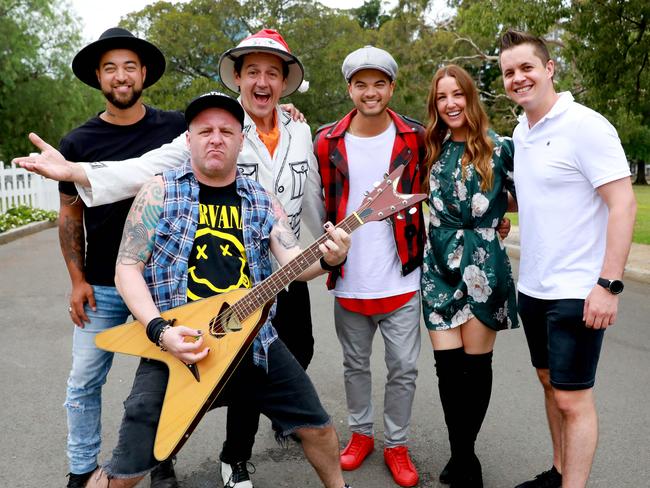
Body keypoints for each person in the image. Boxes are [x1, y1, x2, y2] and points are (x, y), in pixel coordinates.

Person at [13, 29, 320, 487]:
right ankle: (97, 470)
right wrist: (74, 177)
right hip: (135, 279)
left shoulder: (281, 127)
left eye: (272, 73)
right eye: (252, 71)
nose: (262, 81)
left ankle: (205, 452)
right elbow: (122, 180)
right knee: (105, 384)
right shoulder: (118, 138)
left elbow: (308, 190)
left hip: (236, 272)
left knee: (260, 364)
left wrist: (327, 253)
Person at [84, 91, 351, 488]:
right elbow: (127, 269)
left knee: (319, 429)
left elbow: (296, 264)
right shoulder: (160, 191)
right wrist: (160, 330)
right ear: (188, 139)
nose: (215, 138)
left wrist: (331, 257)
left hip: (253, 341)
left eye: (226, 130)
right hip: (174, 343)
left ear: (240, 140)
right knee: (128, 467)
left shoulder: (260, 199)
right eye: (204, 130)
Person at [498, 30, 636, 488]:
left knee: (574, 401)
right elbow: (538, 196)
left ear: (549, 68)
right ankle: (558, 474)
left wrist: (609, 285)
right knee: (550, 385)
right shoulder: (522, 130)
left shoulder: (586, 125)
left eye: (526, 68)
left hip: (578, 291)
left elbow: (623, 203)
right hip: (533, 287)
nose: (518, 78)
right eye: (509, 72)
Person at [57, 27, 187, 488]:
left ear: (144, 72)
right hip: (104, 286)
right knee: (83, 382)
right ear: (98, 76)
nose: (121, 75)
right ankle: (81, 469)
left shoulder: (175, 128)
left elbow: (231, 127)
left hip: (165, 282)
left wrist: (283, 114)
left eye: (129, 65)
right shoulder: (78, 143)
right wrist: (76, 279)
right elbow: (70, 214)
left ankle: (159, 460)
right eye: (110, 67)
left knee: (161, 383)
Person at [312, 46, 424, 488]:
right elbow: (315, 199)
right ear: (349, 88)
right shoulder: (327, 140)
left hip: (402, 276)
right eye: (361, 83)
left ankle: (397, 443)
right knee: (355, 366)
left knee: (404, 368)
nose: (370, 92)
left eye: (379, 83)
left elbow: (448, 182)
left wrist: (494, 216)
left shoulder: (415, 137)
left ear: (391, 88)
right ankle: (361, 435)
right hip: (350, 279)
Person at [420, 64, 519, 488]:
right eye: (442, 97)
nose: (450, 104)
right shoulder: (430, 146)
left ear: (470, 97)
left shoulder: (500, 147)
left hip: (483, 264)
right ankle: (463, 454)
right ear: (435, 104)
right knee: (448, 368)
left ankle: (464, 457)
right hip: (439, 265)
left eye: (456, 94)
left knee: (475, 370)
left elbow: (529, 194)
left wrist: (498, 218)